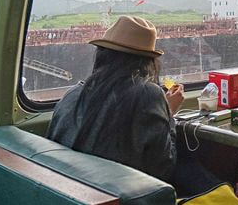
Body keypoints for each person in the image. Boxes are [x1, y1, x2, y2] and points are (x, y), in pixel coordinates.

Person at [49, 15, 184, 184]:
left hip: (72, 194)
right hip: (119, 202)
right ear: (147, 62)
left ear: (102, 55)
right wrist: (168, 114)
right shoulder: (149, 95)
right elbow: (163, 169)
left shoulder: (73, 94)